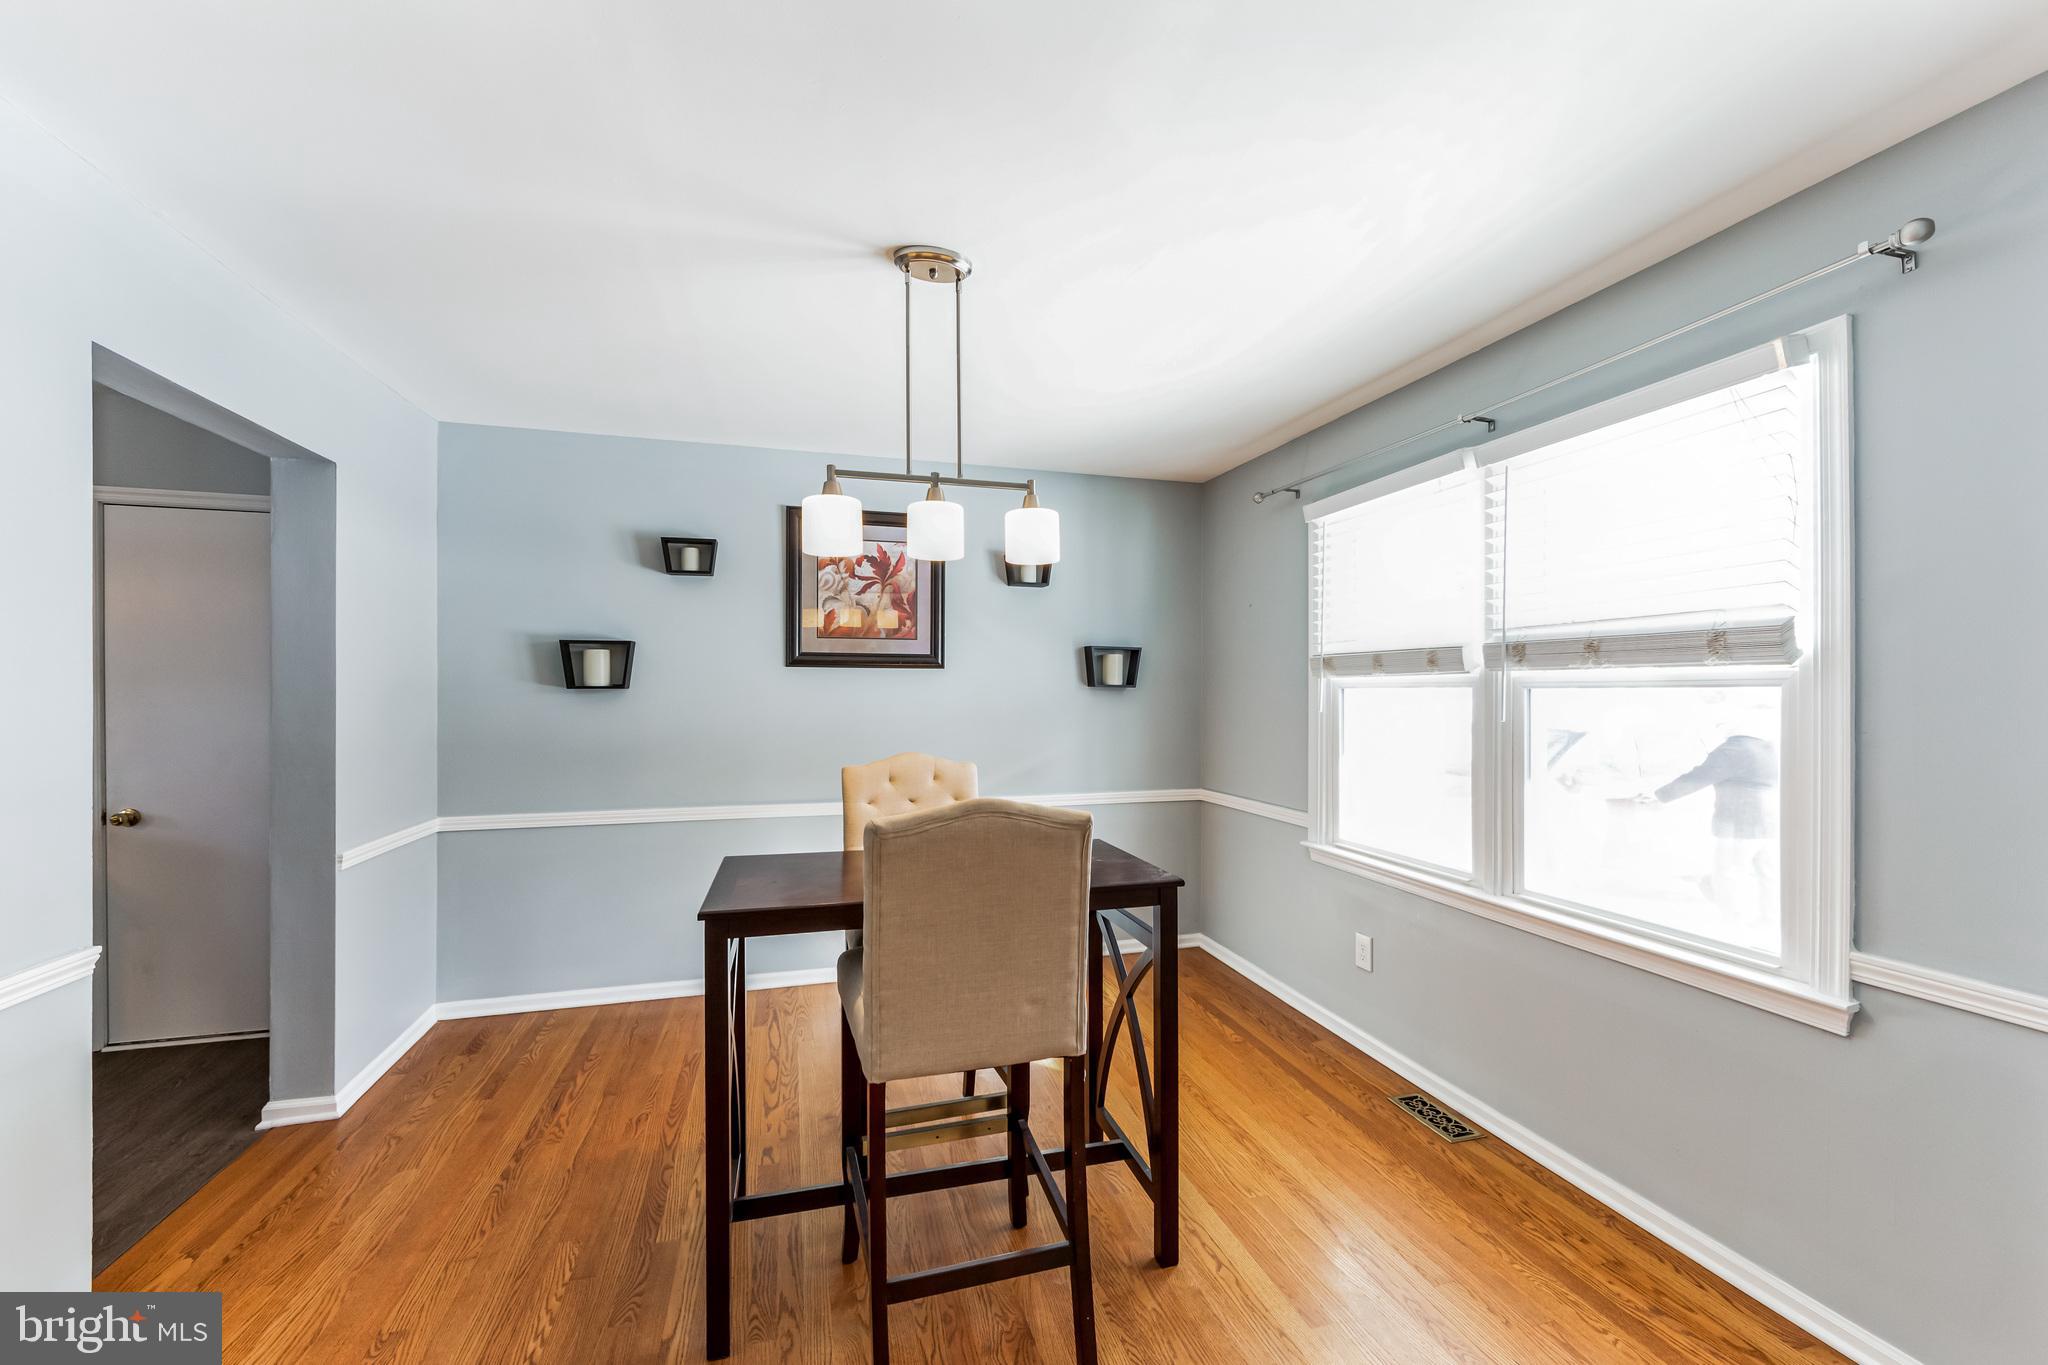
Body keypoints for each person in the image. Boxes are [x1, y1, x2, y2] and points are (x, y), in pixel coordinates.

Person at [1642, 699, 1778, 937]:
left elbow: (1698, 777)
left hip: (1739, 820)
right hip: (1767, 821)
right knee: (1764, 871)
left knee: (1728, 870)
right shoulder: (1766, 749)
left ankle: (1732, 921)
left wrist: (1659, 796)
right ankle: (1768, 918)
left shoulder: (1733, 749)